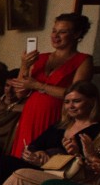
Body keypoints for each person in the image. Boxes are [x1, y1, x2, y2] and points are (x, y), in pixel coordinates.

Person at [8, 13, 95, 157]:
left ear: (76, 34)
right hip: (31, 114)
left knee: (42, 155)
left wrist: (38, 86)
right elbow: (20, 93)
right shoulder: (40, 58)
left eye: (62, 32)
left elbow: (78, 94)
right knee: (21, 156)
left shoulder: (83, 60)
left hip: (57, 115)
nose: (55, 36)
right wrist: (24, 65)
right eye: (54, 31)